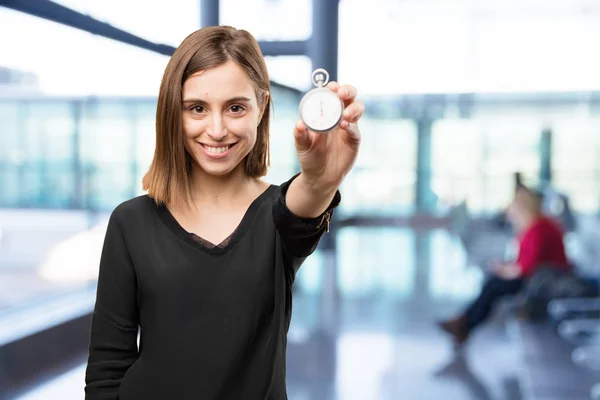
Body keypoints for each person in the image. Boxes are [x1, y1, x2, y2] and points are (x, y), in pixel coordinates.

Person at [84, 26, 364, 399]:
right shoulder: (131, 222)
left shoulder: (279, 217)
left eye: (235, 108)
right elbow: (106, 373)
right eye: (197, 108)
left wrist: (322, 181)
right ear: (173, 111)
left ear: (261, 107)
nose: (216, 130)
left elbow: (306, 200)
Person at [438, 186, 570, 346]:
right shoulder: (533, 226)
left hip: (547, 280)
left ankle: (464, 323)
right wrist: (505, 268)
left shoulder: (539, 227)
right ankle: (464, 322)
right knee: (493, 282)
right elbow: (525, 261)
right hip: (539, 276)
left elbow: (527, 267)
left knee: (494, 285)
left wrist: (505, 270)